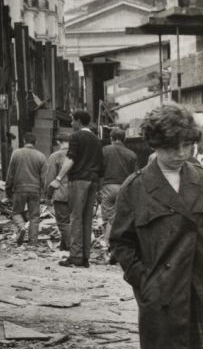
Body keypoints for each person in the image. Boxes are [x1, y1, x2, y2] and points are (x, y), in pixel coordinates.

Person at [110, 103, 203, 349]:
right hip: (159, 290)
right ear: (154, 145)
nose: (180, 154)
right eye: (172, 147)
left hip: (198, 286)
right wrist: (142, 280)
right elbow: (120, 242)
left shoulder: (202, 179)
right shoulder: (136, 188)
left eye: (186, 145)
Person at [49, 110, 103, 268]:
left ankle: (76, 257)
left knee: (75, 218)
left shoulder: (75, 137)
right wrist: (99, 187)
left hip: (79, 180)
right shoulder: (97, 139)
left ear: (79, 121)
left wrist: (58, 179)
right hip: (93, 181)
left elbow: (71, 159)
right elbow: (101, 165)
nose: (71, 124)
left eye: (73, 121)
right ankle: (86, 257)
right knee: (87, 219)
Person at [5, 132, 47, 247]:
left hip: (19, 189)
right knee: (34, 216)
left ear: (24, 141)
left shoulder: (16, 153)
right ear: (35, 143)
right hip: (35, 190)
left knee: (16, 212)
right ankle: (33, 242)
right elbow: (44, 178)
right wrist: (45, 194)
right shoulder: (41, 156)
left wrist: (8, 189)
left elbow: (10, 174)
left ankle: (22, 227)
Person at [100, 128, 138, 255]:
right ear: (124, 139)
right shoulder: (132, 154)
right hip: (125, 188)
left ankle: (108, 247)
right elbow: (135, 175)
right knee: (122, 219)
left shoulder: (104, 150)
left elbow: (98, 169)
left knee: (108, 219)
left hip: (108, 187)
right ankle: (120, 247)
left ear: (111, 138)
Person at [43, 133, 72, 251]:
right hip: (77, 193)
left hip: (61, 193)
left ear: (58, 142)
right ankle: (63, 248)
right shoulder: (77, 156)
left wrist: (48, 195)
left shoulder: (56, 156)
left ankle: (71, 248)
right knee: (71, 221)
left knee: (63, 222)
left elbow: (50, 179)